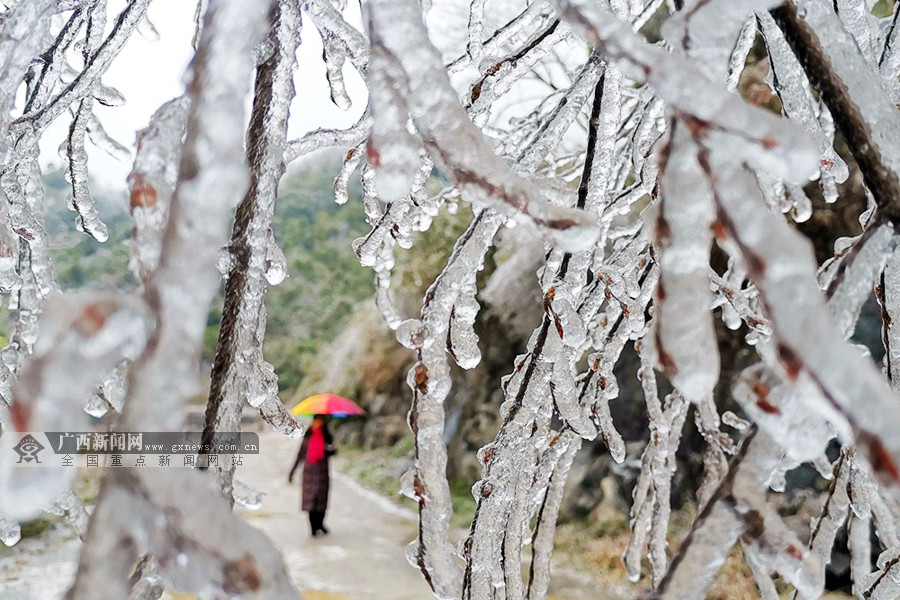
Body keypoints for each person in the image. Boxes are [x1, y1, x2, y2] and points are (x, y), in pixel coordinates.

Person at [288, 414, 336, 536]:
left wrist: (328, 449)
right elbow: (299, 455)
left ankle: (321, 524)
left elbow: (334, 451)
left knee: (322, 501)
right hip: (309, 474)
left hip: (322, 474)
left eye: (320, 421)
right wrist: (291, 472)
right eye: (316, 420)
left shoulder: (327, 437)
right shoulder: (307, 437)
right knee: (311, 501)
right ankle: (313, 528)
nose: (318, 423)